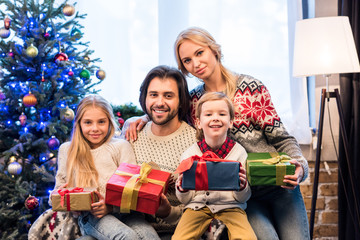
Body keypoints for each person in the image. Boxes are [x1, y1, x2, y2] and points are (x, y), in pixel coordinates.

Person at [126, 27, 310, 240]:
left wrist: (299, 166)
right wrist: (139, 118)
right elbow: (166, 107)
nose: (195, 64)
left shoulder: (250, 88)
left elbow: (281, 137)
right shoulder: (194, 101)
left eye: (199, 53)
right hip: (245, 195)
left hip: (280, 186)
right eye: (186, 60)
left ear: (214, 50)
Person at [53, 94, 160, 240]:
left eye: (101, 122)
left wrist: (110, 207)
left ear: (110, 122)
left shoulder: (121, 146)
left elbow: (133, 190)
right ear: (79, 124)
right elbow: (57, 194)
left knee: (150, 236)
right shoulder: (67, 149)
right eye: (88, 123)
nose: (95, 128)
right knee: (127, 236)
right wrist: (69, 200)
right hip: (92, 216)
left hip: (127, 213)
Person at [173, 92, 257, 240]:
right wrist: (182, 188)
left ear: (231, 121)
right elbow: (185, 199)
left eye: (222, 114)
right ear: (198, 123)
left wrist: (242, 187)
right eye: (209, 114)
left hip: (231, 207)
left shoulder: (239, 152)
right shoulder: (190, 154)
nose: (215, 118)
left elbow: (243, 198)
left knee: (247, 237)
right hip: (197, 206)